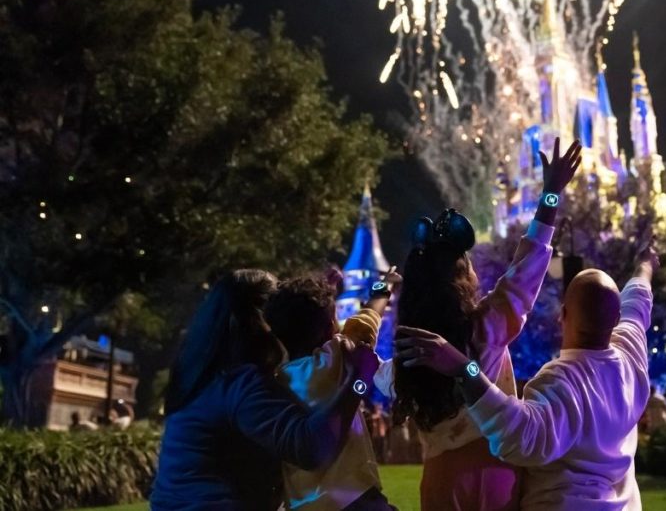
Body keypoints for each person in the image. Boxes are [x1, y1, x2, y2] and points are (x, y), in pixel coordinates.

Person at [379, 139, 582, 510]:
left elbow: (373, 369)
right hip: (498, 472)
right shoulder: (486, 329)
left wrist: (377, 299)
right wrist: (550, 194)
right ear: (462, 277)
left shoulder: (407, 355)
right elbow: (529, 266)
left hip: (441, 482)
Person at [396, 248, 658, 510]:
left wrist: (465, 370)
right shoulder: (631, 356)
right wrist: (645, 266)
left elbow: (520, 435)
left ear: (562, 316)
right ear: (616, 319)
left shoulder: (562, 382)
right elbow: (638, 300)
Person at [151, 269, 378, 511]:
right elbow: (310, 447)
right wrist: (359, 381)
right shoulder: (239, 384)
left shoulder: (200, 373)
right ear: (259, 319)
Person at [267, 271, 399, 511]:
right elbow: (367, 319)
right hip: (355, 499)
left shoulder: (272, 380)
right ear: (330, 327)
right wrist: (384, 285)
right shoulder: (336, 357)